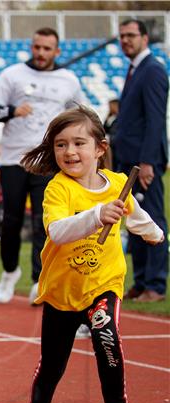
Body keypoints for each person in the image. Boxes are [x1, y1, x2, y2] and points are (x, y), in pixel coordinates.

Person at [17, 106, 163, 403]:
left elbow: (136, 215)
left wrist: (153, 233)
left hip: (103, 283)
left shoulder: (116, 184)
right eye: (61, 145)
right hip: (63, 292)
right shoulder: (58, 190)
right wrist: (97, 215)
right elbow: (58, 231)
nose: (70, 152)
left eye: (79, 143)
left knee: (106, 332)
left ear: (100, 147)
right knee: (52, 365)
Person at [0, 27, 84, 305]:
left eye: (47, 49)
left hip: (48, 162)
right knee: (10, 221)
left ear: (57, 51)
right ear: (31, 46)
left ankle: (39, 279)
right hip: (13, 160)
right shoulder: (12, 74)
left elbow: (81, 117)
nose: (41, 53)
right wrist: (12, 111)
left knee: (45, 223)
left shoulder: (68, 80)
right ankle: (9, 271)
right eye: (37, 47)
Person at [112, 19, 168, 303]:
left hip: (143, 163)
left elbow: (156, 119)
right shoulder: (135, 70)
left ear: (145, 38)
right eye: (122, 36)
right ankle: (141, 280)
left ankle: (156, 285)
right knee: (132, 218)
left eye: (131, 35)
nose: (125, 40)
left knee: (153, 220)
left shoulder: (153, 71)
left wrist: (147, 161)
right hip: (127, 161)